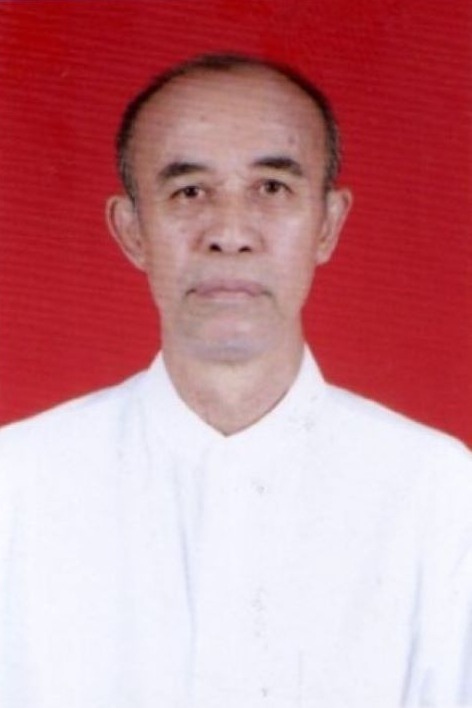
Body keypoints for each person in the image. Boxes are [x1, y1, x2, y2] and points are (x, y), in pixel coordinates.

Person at [1, 53, 471, 708]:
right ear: (132, 231)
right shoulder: (17, 486)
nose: (229, 233)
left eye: (271, 189)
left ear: (328, 224)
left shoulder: (440, 495)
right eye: (189, 192)